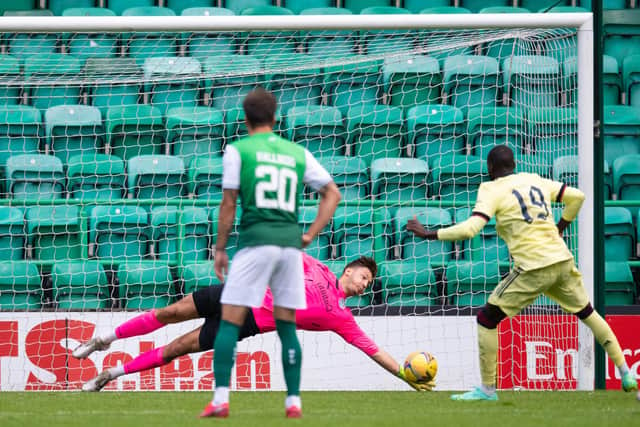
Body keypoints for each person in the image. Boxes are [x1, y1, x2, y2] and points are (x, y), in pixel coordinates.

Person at [406, 144, 638, 401]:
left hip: (532, 267)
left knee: (486, 319)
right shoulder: (533, 179)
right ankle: (626, 372)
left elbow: (471, 229)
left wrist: (430, 233)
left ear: (490, 169)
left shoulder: (490, 189)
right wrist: (561, 225)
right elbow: (578, 197)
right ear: (514, 165)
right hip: (561, 260)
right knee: (588, 313)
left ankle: (487, 390)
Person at [73, 254, 434, 394]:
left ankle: (110, 376)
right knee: (168, 313)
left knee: (176, 349)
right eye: (364, 277)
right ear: (350, 270)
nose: (364, 285)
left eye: (369, 284)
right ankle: (103, 339)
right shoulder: (318, 269)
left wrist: (403, 374)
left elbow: (373, 349)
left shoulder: (341, 317)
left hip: (246, 324)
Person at [210, 88, 340, 418]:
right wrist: (310, 233)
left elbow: (228, 204)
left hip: (255, 241)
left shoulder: (238, 150)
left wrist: (220, 247)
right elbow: (333, 194)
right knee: (286, 326)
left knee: (229, 323)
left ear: (244, 118)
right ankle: (293, 400)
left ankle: (221, 398)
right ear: (275, 116)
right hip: (289, 247)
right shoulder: (297, 152)